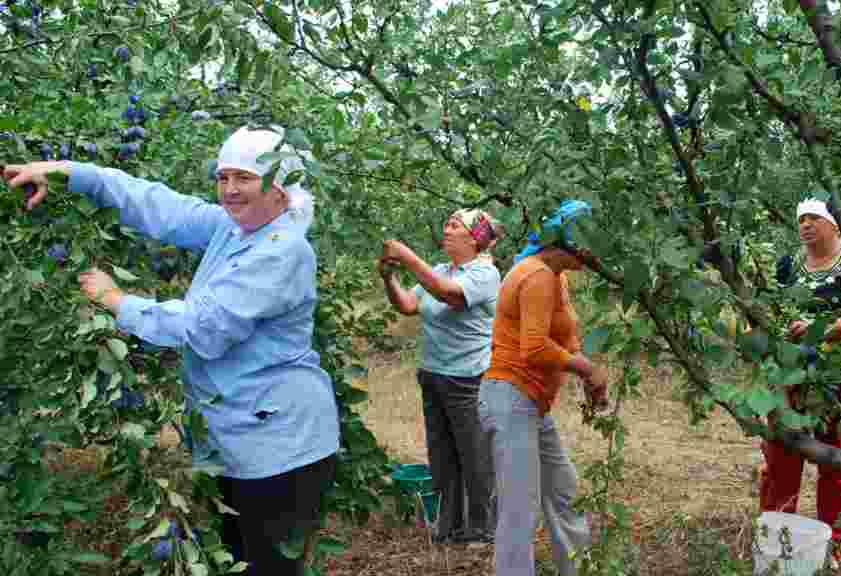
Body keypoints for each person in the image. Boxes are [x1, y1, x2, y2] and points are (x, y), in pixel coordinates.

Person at [3, 126, 340, 576]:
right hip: (240, 435)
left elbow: (205, 327)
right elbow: (161, 206)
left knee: (267, 567)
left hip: (280, 445)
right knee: (242, 559)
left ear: (279, 187)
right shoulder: (235, 229)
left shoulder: (282, 250)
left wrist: (117, 301)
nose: (229, 190)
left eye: (244, 177)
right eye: (223, 177)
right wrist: (69, 172)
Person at [480, 199, 608, 576]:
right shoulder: (535, 275)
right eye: (587, 240)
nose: (593, 251)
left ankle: (579, 570)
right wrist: (585, 367)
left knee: (564, 491)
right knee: (520, 508)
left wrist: (588, 377)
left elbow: (565, 335)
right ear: (567, 238)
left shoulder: (555, 276)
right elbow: (533, 347)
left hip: (531, 403)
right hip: (510, 398)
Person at [377, 208, 503, 544]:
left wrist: (406, 256)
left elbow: (449, 295)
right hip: (433, 375)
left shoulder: (484, 274)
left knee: (475, 456)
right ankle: (449, 526)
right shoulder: (440, 270)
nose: (445, 230)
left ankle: (482, 530)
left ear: (474, 238)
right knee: (443, 456)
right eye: (446, 224)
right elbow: (407, 304)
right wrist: (390, 277)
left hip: (468, 381)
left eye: (454, 225)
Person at [760, 198, 841, 571]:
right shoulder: (788, 266)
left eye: (814, 218)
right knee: (781, 461)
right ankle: (775, 539)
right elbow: (772, 311)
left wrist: (819, 330)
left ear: (835, 225)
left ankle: (836, 542)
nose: (805, 224)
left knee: (837, 465)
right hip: (791, 380)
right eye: (801, 219)